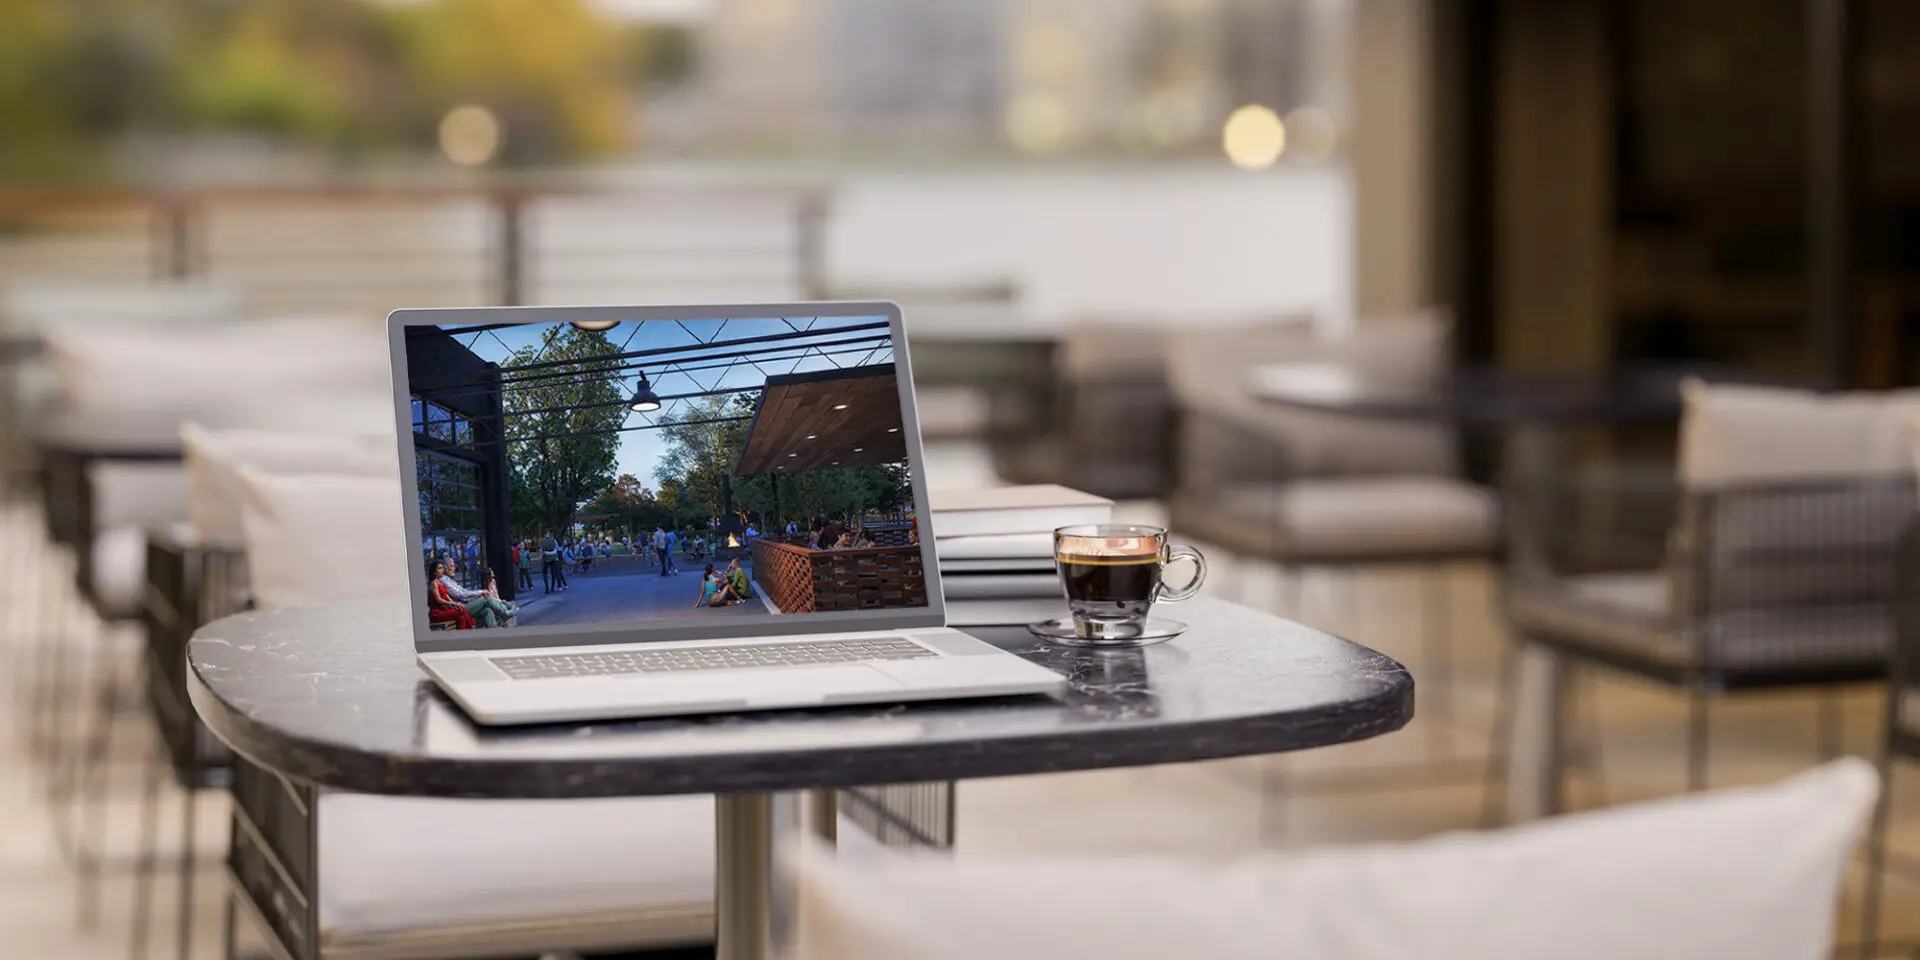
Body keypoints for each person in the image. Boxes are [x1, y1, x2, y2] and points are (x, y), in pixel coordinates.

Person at [438, 562, 517, 628]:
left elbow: (464, 591)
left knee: (487, 610)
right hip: (460, 608)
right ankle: (505, 612)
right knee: (485, 598)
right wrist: (480, 592)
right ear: (446, 568)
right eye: (452, 566)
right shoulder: (444, 581)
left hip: (466, 603)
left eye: (454, 565)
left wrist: (476, 595)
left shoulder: (449, 580)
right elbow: (461, 594)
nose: (454, 567)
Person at [426, 560, 476, 630]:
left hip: (443, 610)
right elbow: (439, 600)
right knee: (461, 610)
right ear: (434, 572)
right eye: (440, 568)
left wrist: (456, 604)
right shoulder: (433, 584)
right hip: (436, 613)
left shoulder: (440, 582)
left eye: (443, 568)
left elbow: (446, 595)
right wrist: (452, 603)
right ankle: (472, 628)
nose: (443, 570)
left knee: (461, 617)